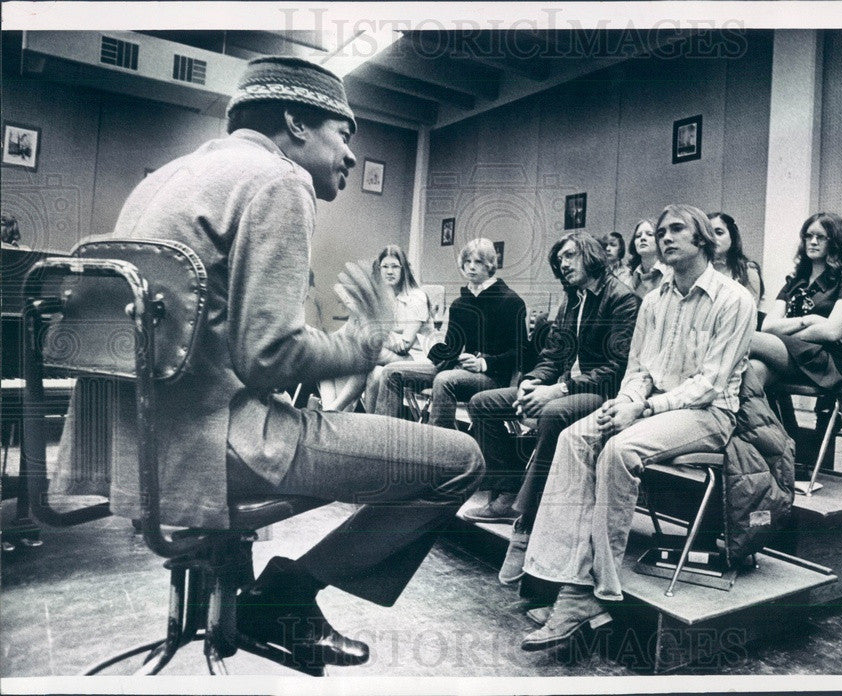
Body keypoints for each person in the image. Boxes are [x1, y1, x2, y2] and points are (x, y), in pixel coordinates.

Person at [56, 56, 483, 669]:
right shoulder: (279, 181)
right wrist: (359, 345)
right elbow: (269, 356)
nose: (352, 157)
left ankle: (240, 605)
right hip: (212, 449)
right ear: (295, 123)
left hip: (131, 449)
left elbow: (222, 336)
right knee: (460, 461)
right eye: (344, 133)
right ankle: (285, 593)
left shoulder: (164, 179)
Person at [510, 204, 756, 651]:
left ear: (702, 238)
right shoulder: (656, 299)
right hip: (651, 407)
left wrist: (640, 411)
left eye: (676, 229)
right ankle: (555, 578)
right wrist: (626, 403)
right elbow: (638, 368)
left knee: (618, 451)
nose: (665, 237)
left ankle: (590, 592)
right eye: (661, 231)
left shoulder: (734, 298)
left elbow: (710, 383)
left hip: (709, 415)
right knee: (574, 437)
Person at [465, 232, 639, 523]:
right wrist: (531, 382)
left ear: (590, 254)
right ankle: (508, 492)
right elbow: (553, 355)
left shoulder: (622, 299)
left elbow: (616, 368)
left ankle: (533, 515)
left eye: (569, 256)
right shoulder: (572, 299)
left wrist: (557, 389)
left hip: (604, 392)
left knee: (553, 412)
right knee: (483, 403)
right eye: (560, 259)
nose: (564, 264)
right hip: (567, 386)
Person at [373, 238, 527, 429]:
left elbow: (521, 353)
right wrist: (435, 344)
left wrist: (483, 363)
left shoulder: (510, 301)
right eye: (467, 262)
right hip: (457, 369)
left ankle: (438, 445)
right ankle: (384, 436)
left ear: (489, 265)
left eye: (478, 262)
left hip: (493, 377)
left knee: (444, 380)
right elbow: (450, 348)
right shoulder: (460, 304)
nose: (471, 267)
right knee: (391, 371)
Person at [747, 213, 842, 458]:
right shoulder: (794, 281)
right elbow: (768, 325)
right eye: (808, 236)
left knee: (749, 340)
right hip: (792, 355)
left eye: (821, 236)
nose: (813, 241)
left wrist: (793, 327)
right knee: (752, 372)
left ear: (834, 241)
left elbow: (832, 331)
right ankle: (787, 441)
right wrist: (809, 320)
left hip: (826, 362)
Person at [327, 244, 432, 413]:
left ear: (404, 269)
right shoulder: (382, 297)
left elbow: (404, 345)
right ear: (379, 268)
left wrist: (381, 336)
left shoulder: (416, 297)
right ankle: (332, 410)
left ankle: (336, 410)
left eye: (395, 267)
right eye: (385, 267)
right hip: (386, 357)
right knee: (371, 372)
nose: (390, 272)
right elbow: (340, 289)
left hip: (416, 361)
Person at [708, 212, 764, 307]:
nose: (713, 238)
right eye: (708, 233)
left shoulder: (747, 271)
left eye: (719, 233)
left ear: (732, 236)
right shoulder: (696, 269)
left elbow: (750, 312)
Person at [625, 219, 670, 297]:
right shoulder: (629, 276)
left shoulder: (670, 273)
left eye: (649, 234)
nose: (642, 238)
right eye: (638, 236)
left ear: (660, 240)